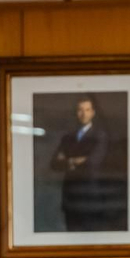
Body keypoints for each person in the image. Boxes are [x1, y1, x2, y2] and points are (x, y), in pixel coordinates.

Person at [48, 96, 120, 232]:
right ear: (76, 113)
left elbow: (93, 162)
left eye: (87, 110)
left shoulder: (100, 136)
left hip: (89, 196)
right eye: (80, 110)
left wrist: (67, 159)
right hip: (70, 196)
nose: (83, 113)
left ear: (93, 113)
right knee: (71, 235)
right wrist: (76, 160)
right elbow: (54, 164)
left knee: (89, 236)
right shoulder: (67, 137)